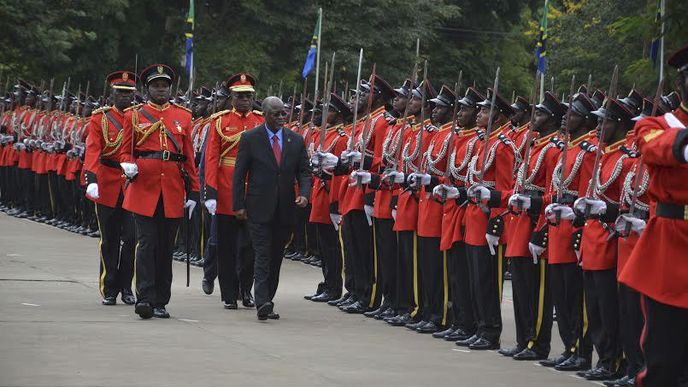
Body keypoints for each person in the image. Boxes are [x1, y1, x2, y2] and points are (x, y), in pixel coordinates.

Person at [619, 43, 688, 387]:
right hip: (671, 248)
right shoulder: (657, 123)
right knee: (664, 359)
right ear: (681, 86)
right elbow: (654, 146)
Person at [119, 63, 200, 319]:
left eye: (164, 85)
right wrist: (128, 165)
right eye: (156, 85)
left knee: (166, 247)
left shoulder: (184, 116)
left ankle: (160, 300)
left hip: (173, 188)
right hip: (144, 187)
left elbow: (188, 157)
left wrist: (195, 193)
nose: (161, 90)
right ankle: (144, 297)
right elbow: (125, 150)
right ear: (147, 88)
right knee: (146, 244)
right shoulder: (134, 114)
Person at [232, 96, 311, 321]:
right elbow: (239, 174)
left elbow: (304, 171)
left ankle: (268, 298)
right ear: (265, 114)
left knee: (276, 256)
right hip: (258, 207)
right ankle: (262, 302)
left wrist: (304, 194)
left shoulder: (295, 140)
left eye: (283, 113)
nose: (280, 117)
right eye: (275, 113)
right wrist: (238, 205)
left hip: (285, 208)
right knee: (263, 254)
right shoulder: (250, 138)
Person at [204, 72, 264, 309]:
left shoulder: (260, 122)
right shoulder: (219, 121)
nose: (244, 101)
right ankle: (229, 293)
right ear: (231, 97)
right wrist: (210, 192)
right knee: (226, 246)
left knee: (249, 247)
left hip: (253, 191)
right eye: (239, 96)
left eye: (248, 96)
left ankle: (245, 290)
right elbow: (211, 159)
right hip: (227, 190)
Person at [83, 70, 137, 306]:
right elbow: (93, 149)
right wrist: (91, 179)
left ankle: (127, 286)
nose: (124, 97)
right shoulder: (100, 119)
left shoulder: (139, 117)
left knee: (133, 237)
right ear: (112, 94)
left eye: (128, 93)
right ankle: (109, 286)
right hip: (107, 181)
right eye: (120, 93)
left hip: (132, 183)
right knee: (109, 239)